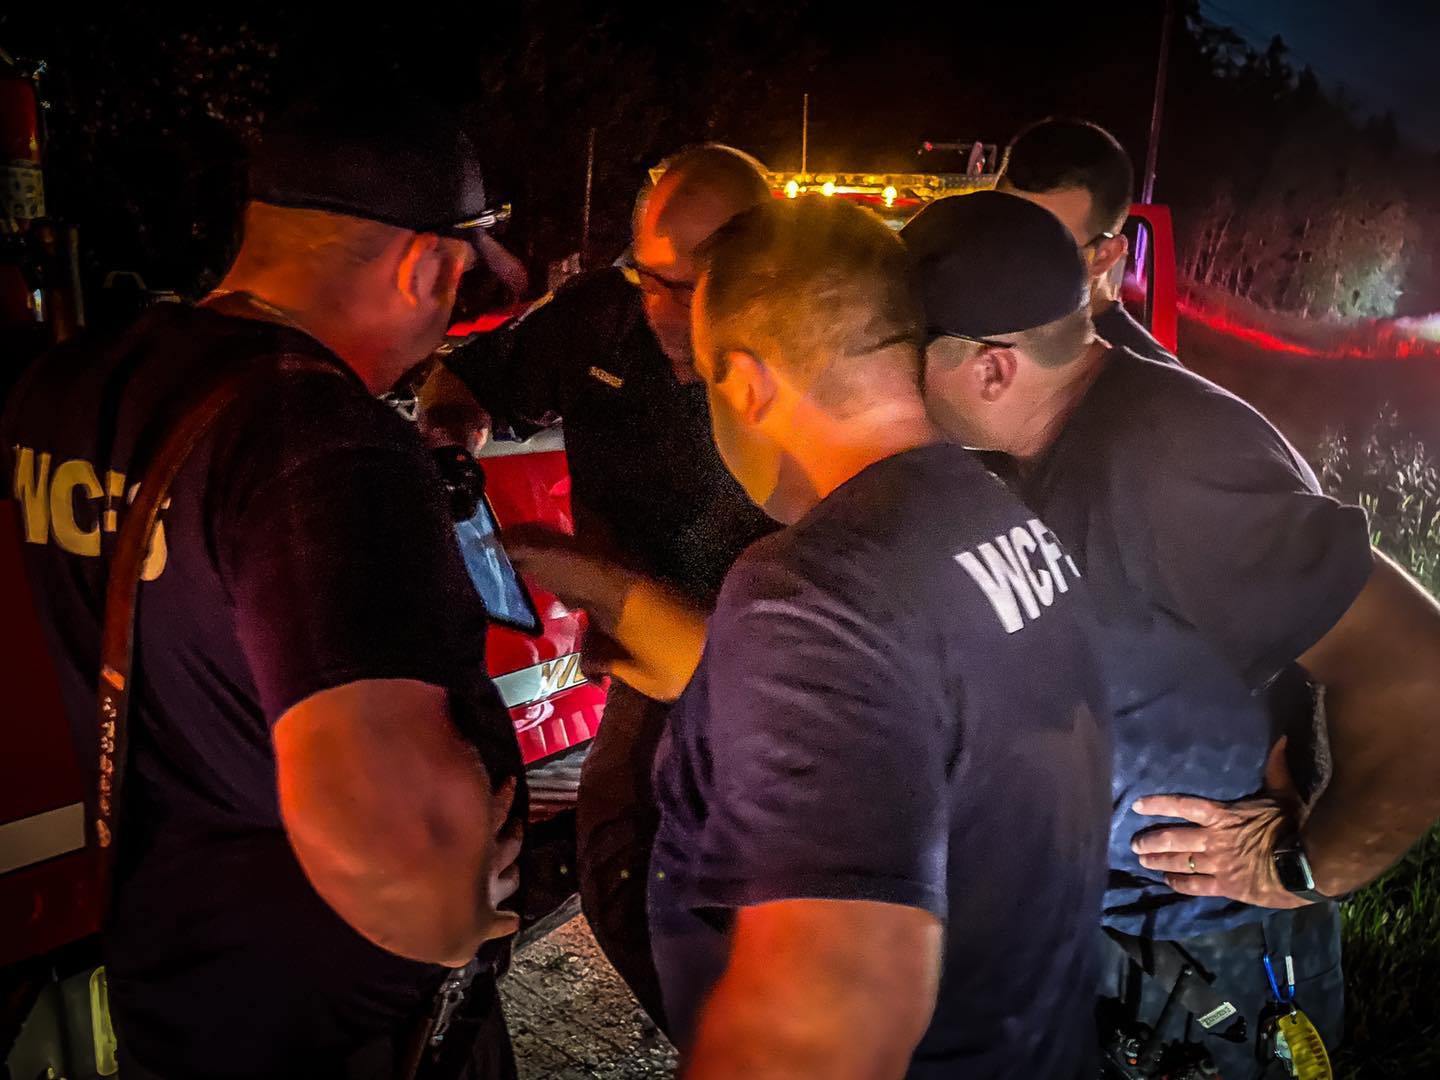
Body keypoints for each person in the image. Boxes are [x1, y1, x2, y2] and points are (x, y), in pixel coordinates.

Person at [1, 96, 525, 1079]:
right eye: (459, 296)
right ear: (428, 268)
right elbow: (409, 879)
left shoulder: (68, 386)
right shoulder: (324, 439)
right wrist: (455, 901)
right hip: (345, 1031)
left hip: (178, 982)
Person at [905, 189, 1440, 1078]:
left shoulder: (1168, 461)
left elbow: (1415, 671)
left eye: (903, 353)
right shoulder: (1037, 440)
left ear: (991, 367)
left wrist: (1308, 868)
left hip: (1199, 979)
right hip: (1096, 955)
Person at [634, 195, 1112, 1078]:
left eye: (706, 383)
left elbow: (829, 1014)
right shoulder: (1001, 523)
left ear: (745, 381)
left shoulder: (812, 589)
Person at [418, 143, 777, 1029]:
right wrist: (448, 450)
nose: (663, 309)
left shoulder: (811, 343)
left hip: (780, 672)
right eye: (649, 277)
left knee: (782, 899)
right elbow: (463, 381)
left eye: (693, 287)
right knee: (620, 869)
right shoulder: (600, 322)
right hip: (645, 667)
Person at [997, 117, 1179, 365]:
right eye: (1000, 231)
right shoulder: (965, 326)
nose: (1014, 259)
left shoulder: (1154, 386)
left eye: (1047, 246)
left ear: (1105, 256)